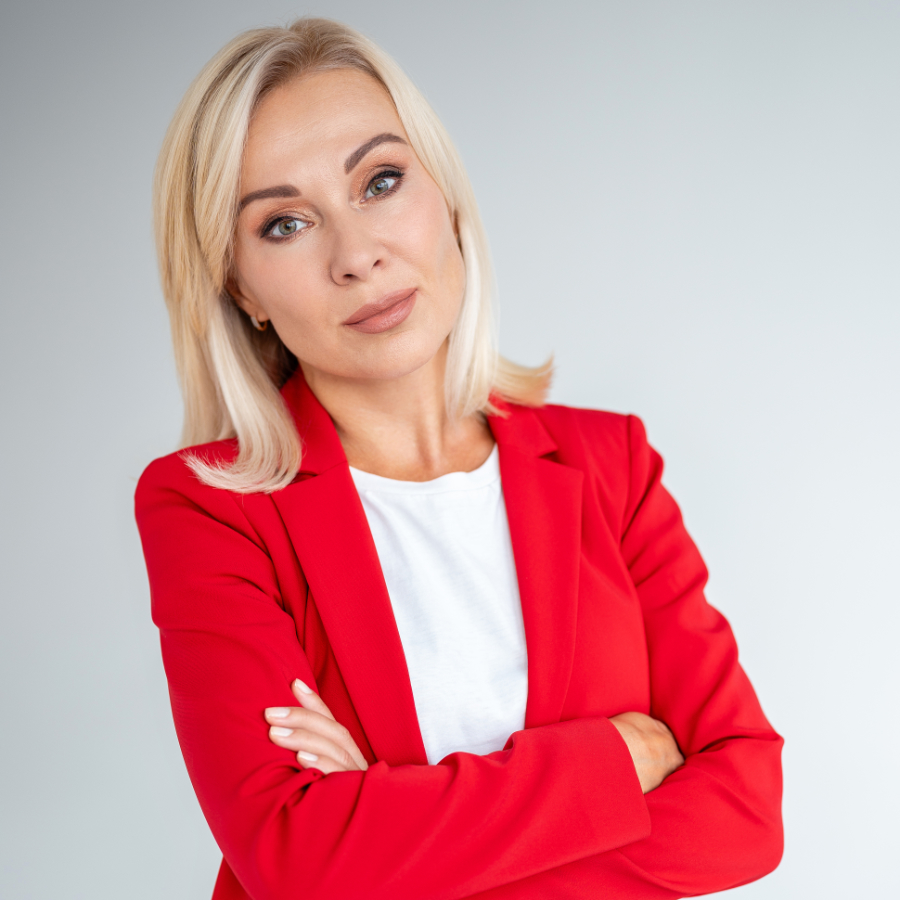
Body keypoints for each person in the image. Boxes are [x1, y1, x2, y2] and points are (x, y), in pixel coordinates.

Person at [135, 17, 783, 900]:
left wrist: (386, 825)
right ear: (239, 286)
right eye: (285, 223)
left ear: (446, 197)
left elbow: (745, 814)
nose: (357, 255)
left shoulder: (611, 465)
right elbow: (296, 861)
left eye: (381, 181)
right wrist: (613, 764)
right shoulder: (211, 507)